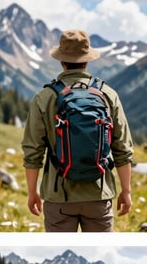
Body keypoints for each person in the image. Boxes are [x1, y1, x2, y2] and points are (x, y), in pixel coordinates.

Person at [22, 30, 133, 232]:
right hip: (99, 195)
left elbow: (33, 152)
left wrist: (33, 192)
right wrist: (126, 191)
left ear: (62, 61)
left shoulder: (45, 97)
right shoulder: (108, 94)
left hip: (58, 197)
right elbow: (123, 149)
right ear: (87, 60)